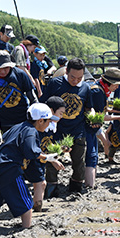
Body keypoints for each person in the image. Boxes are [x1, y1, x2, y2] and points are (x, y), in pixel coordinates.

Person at [0, 103, 60, 228]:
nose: (49, 124)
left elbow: (3, 142)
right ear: (40, 121)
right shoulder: (31, 131)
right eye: (48, 121)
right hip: (10, 172)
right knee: (27, 206)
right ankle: (26, 230)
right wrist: (47, 157)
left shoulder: (18, 126)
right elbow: (31, 151)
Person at [40, 57, 94, 193]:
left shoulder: (86, 88)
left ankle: (76, 187)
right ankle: (52, 188)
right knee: (52, 160)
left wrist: (93, 117)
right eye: (72, 77)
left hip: (78, 130)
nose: (75, 81)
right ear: (66, 72)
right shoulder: (54, 83)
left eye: (79, 78)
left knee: (78, 162)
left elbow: (88, 108)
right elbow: (45, 104)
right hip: (57, 130)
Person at [0, 50, 38, 136]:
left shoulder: (20, 75)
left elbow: (33, 98)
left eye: (6, 68)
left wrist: (37, 119)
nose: (3, 72)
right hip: (1, 125)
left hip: (23, 122)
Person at [86, 68, 120, 187]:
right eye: (116, 85)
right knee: (92, 157)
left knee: (92, 156)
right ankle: (90, 185)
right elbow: (101, 117)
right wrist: (118, 117)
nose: (117, 87)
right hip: (89, 129)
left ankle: (90, 184)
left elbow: (102, 109)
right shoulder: (98, 92)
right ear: (110, 82)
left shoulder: (98, 88)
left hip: (91, 128)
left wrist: (117, 111)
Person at [24, 96, 66, 208]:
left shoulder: (51, 125)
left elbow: (48, 144)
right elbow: (39, 147)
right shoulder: (39, 128)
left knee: (40, 183)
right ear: (51, 111)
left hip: (40, 157)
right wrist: (52, 160)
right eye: (60, 113)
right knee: (40, 183)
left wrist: (60, 149)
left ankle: (36, 207)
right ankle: (36, 208)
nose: (61, 116)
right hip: (34, 159)